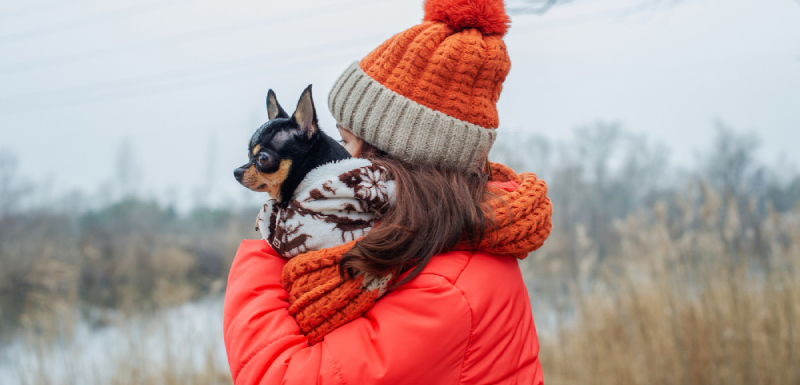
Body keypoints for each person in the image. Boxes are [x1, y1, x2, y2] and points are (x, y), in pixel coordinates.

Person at [222, 0, 553, 383]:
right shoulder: (435, 243)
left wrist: (269, 249)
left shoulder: (445, 286)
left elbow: (284, 376)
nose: (340, 161)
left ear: (390, 156)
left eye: (346, 143)